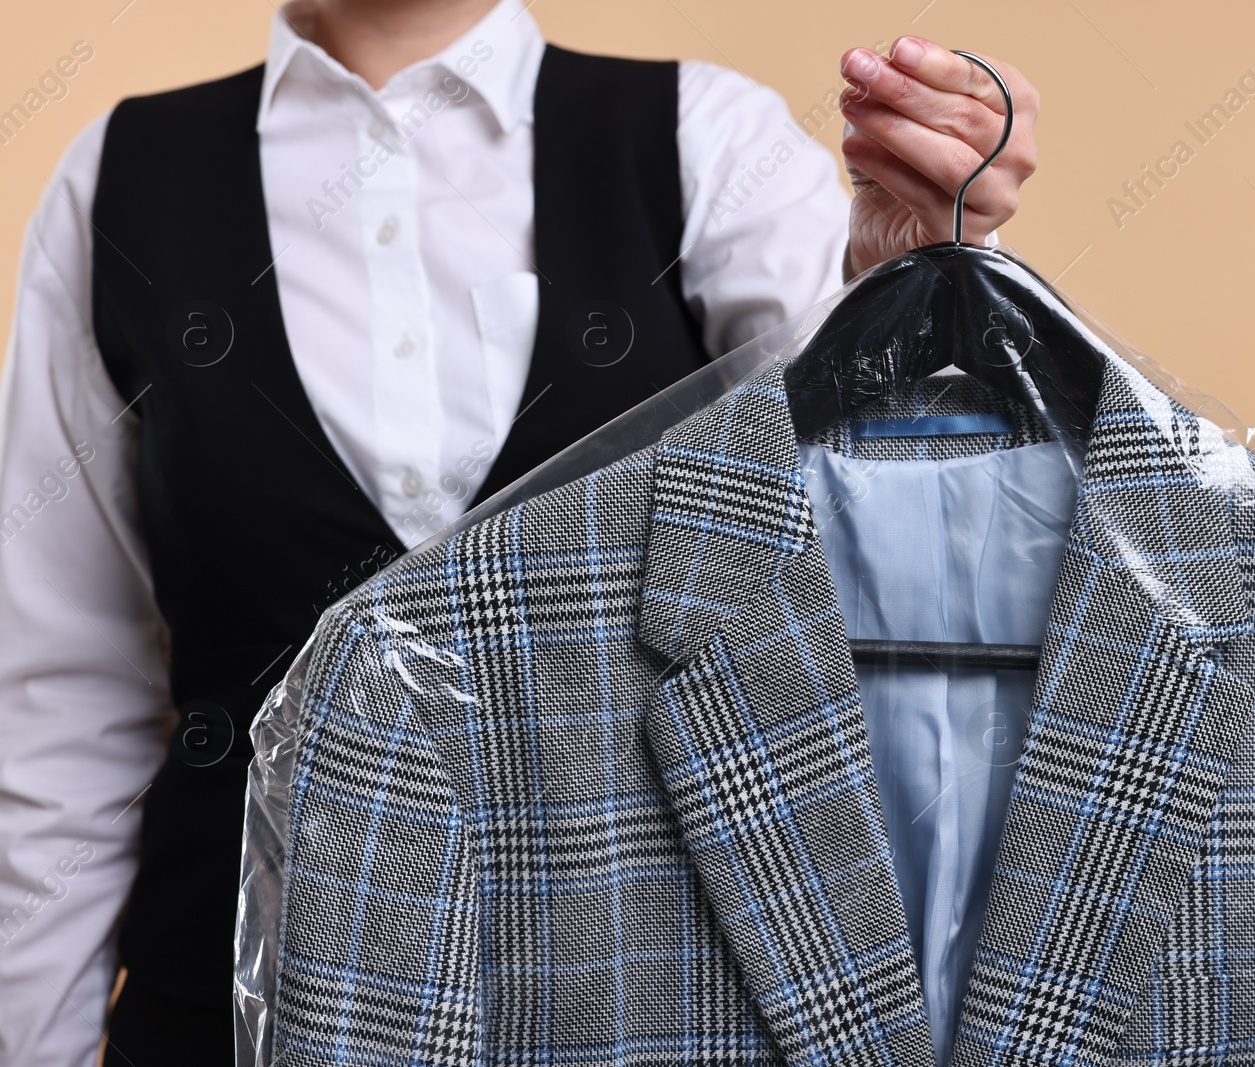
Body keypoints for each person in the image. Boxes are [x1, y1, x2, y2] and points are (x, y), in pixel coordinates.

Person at [0, 0, 1039, 1064]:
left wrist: (920, 289)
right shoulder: (121, 182)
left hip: (644, 1007)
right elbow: (60, 697)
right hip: (214, 1012)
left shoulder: (703, 140)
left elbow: (895, 578)